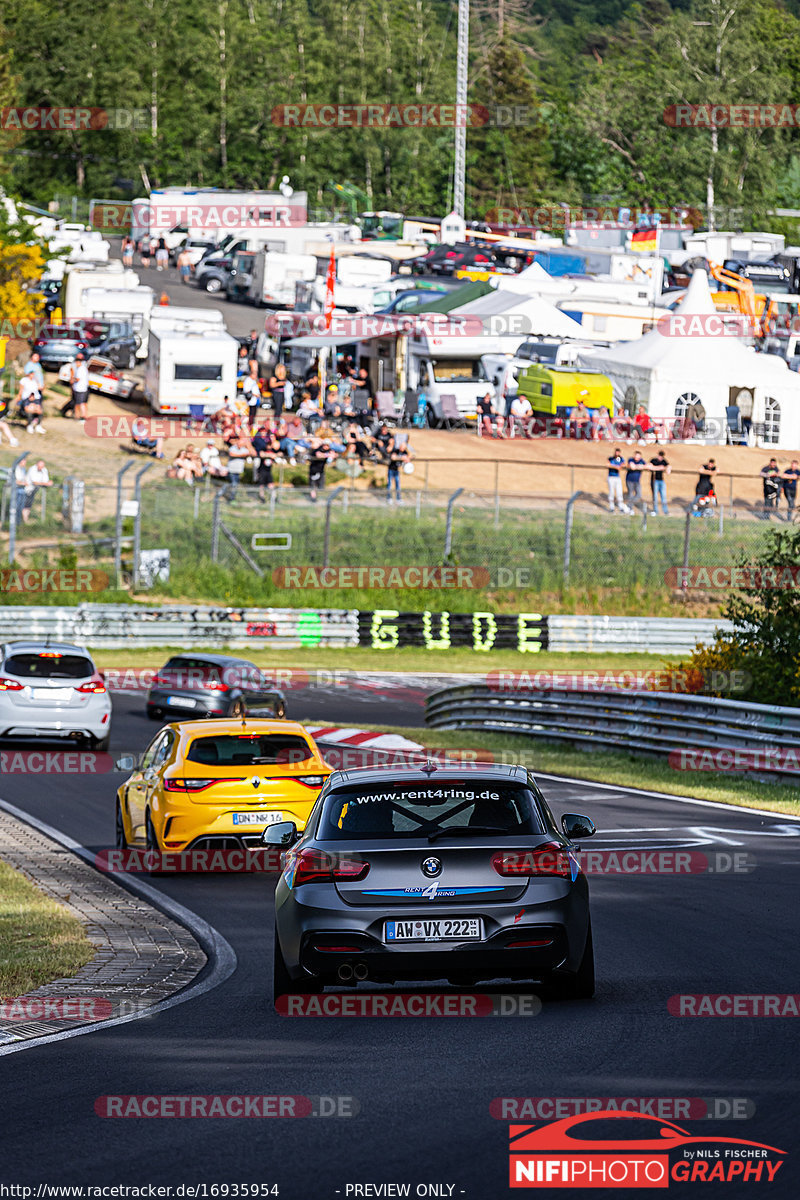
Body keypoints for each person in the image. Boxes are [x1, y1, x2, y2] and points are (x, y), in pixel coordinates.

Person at [252, 424, 279, 499]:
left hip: (268, 471)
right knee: (261, 484)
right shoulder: (261, 445)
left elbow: (278, 452)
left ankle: (274, 497)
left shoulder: (272, 450)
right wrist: (270, 455)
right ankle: (261, 496)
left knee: (271, 484)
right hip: (262, 470)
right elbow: (261, 454)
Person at [16, 367, 45, 433]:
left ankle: (38, 426)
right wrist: (18, 397)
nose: (33, 375)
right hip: (27, 399)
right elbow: (21, 390)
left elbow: (40, 388)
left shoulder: (35, 380)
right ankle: (30, 425)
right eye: (32, 373)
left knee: (39, 411)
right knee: (29, 411)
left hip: (36, 399)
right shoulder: (24, 380)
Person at [62, 352, 88, 421]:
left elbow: (77, 378)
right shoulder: (81, 367)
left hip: (80, 389)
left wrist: (72, 379)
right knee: (80, 403)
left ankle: (78, 416)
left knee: (78, 403)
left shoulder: (81, 368)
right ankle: (80, 415)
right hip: (81, 388)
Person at [386, 435, 409, 504]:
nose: (402, 448)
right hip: (391, 469)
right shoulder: (396, 450)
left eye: (404, 447)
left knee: (398, 485)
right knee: (389, 484)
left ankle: (398, 499)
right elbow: (393, 457)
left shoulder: (405, 452)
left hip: (397, 471)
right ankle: (389, 498)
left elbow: (408, 458)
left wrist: (406, 459)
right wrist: (401, 458)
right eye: (401, 446)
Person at [607, 448, 629, 513]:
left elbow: (624, 464)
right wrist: (616, 466)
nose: (617, 454)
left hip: (617, 477)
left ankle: (620, 506)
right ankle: (611, 507)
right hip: (611, 477)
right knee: (611, 492)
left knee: (619, 492)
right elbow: (608, 464)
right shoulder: (611, 458)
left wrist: (619, 466)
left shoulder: (620, 459)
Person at [649, 450, 670, 515]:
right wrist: (659, 468)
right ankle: (655, 510)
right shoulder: (653, 460)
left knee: (663, 496)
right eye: (659, 456)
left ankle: (665, 511)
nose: (660, 457)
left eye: (661, 456)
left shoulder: (664, 461)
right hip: (654, 480)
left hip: (661, 480)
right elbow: (650, 467)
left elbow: (668, 469)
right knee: (655, 496)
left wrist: (666, 468)